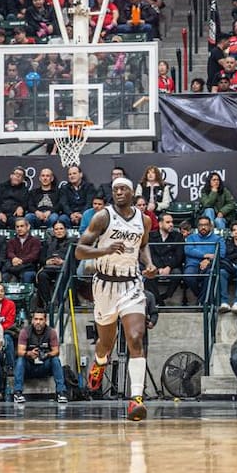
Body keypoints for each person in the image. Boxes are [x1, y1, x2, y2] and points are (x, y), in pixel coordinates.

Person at [75, 176, 156, 420]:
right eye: (115, 189)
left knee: (135, 338)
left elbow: (142, 246)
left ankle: (136, 400)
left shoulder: (144, 220)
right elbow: (80, 250)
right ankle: (100, 362)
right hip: (104, 284)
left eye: (123, 189)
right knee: (106, 343)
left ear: (132, 193)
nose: (118, 192)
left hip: (131, 283)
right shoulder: (103, 217)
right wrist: (105, 250)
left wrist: (150, 263)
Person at [12, 309, 69, 404]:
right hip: (29, 366)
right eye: (36, 319)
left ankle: (61, 392)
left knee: (55, 360)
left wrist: (46, 354)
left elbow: (56, 351)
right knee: (20, 360)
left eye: (41, 319)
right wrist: (29, 354)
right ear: (32, 320)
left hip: (44, 365)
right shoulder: (25, 332)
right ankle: (18, 392)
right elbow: (20, 351)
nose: (38, 322)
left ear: (45, 320)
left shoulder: (51, 332)